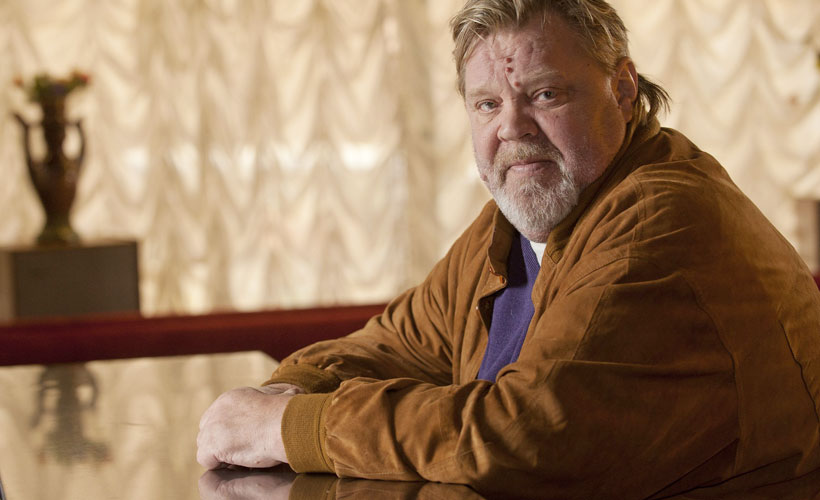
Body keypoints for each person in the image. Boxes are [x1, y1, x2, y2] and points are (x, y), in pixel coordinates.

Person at [197, 0, 820, 498]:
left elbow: (522, 436)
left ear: (623, 89)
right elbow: (398, 345)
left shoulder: (661, 222)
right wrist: (289, 391)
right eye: (488, 104)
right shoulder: (523, 219)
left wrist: (287, 427)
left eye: (546, 95)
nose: (512, 128)